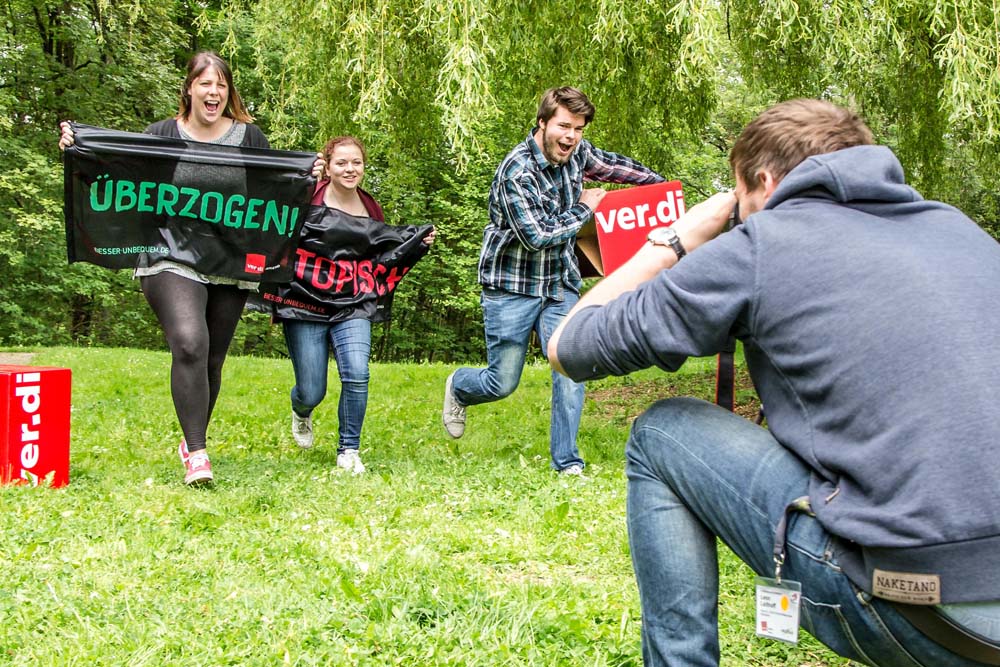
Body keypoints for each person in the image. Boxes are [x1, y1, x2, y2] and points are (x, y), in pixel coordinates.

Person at [548, 98, 1000, 666]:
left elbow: (569, 345)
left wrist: (675, 240)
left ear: (761, 181)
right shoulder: (961, 232)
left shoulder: (761, 244)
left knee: (662, 432)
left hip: (920, 609)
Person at [59, 50, 323, 486]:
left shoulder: (247, 138)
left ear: (228, 92)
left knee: (212, 359)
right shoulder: (162, 134)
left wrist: (305, 175)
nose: (213, 91)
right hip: (169, 252)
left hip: (229, 259)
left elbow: (274, 190)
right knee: (189, 342)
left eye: (220, 84)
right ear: (189, 88)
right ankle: (198, 454)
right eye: (205, 83)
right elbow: (118, 170)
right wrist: (80, 146)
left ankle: (191, 438)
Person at [441, 86, 664, 474]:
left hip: (559, 281)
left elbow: (615, 166)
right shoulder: (516, 171)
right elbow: (538, 236)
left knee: (570, 363)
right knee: (502, 381)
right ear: (542, 123)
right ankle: (460, 386)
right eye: (564, 126)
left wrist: (660, 188)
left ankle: (567, 463)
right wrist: (584, 207)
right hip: (511, 284)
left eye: (578, 129)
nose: (571, 137)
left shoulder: (577, 151)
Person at [279, 136, 435, 474]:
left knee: (357, 372)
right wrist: (298, 180)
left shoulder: (371, 207)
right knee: (311, 389)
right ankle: (301, 410)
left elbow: (383, 255)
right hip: (304, 302)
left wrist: (416, 244)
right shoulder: (307, 197)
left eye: (356, 163)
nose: (350, 169)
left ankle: (348, 449)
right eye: (342, 163)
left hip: (354, 302)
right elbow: (275, 229)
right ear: (329, 166)